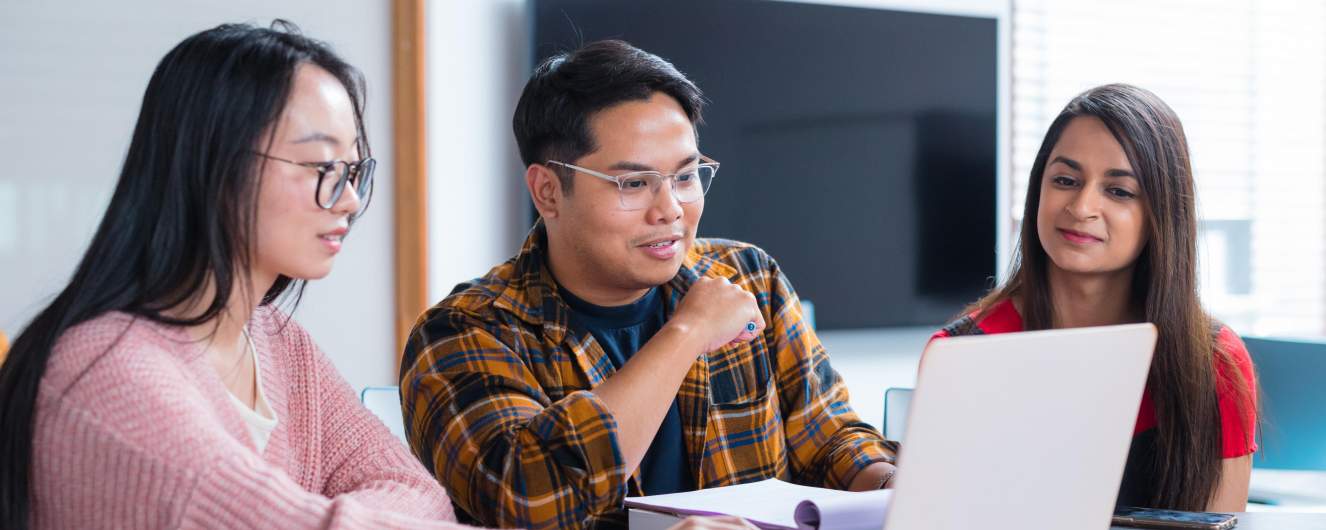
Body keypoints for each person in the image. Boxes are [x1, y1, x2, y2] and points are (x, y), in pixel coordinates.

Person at [399, 40, 899, 529]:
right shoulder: (464, 331)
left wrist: (892, 485)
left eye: (685, 177)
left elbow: (827, 438)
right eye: (633, 184)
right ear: (548, 191)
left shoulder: (749, 276)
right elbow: (530, 500)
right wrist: (686, 333)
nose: (670, 210)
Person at [0, 21, 476, 529]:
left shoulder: (277, 341)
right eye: (321, 167)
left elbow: (417, 491)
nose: (351, 200)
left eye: (354, 170)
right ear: (215, 163)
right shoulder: (105, 371)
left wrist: (332, 512)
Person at [931, 84, 1258, 512]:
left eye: (1119, 191)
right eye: (1065, 181)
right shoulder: (960, 354)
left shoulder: (1216, 363)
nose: (1082, 206)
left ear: (1162, 214)